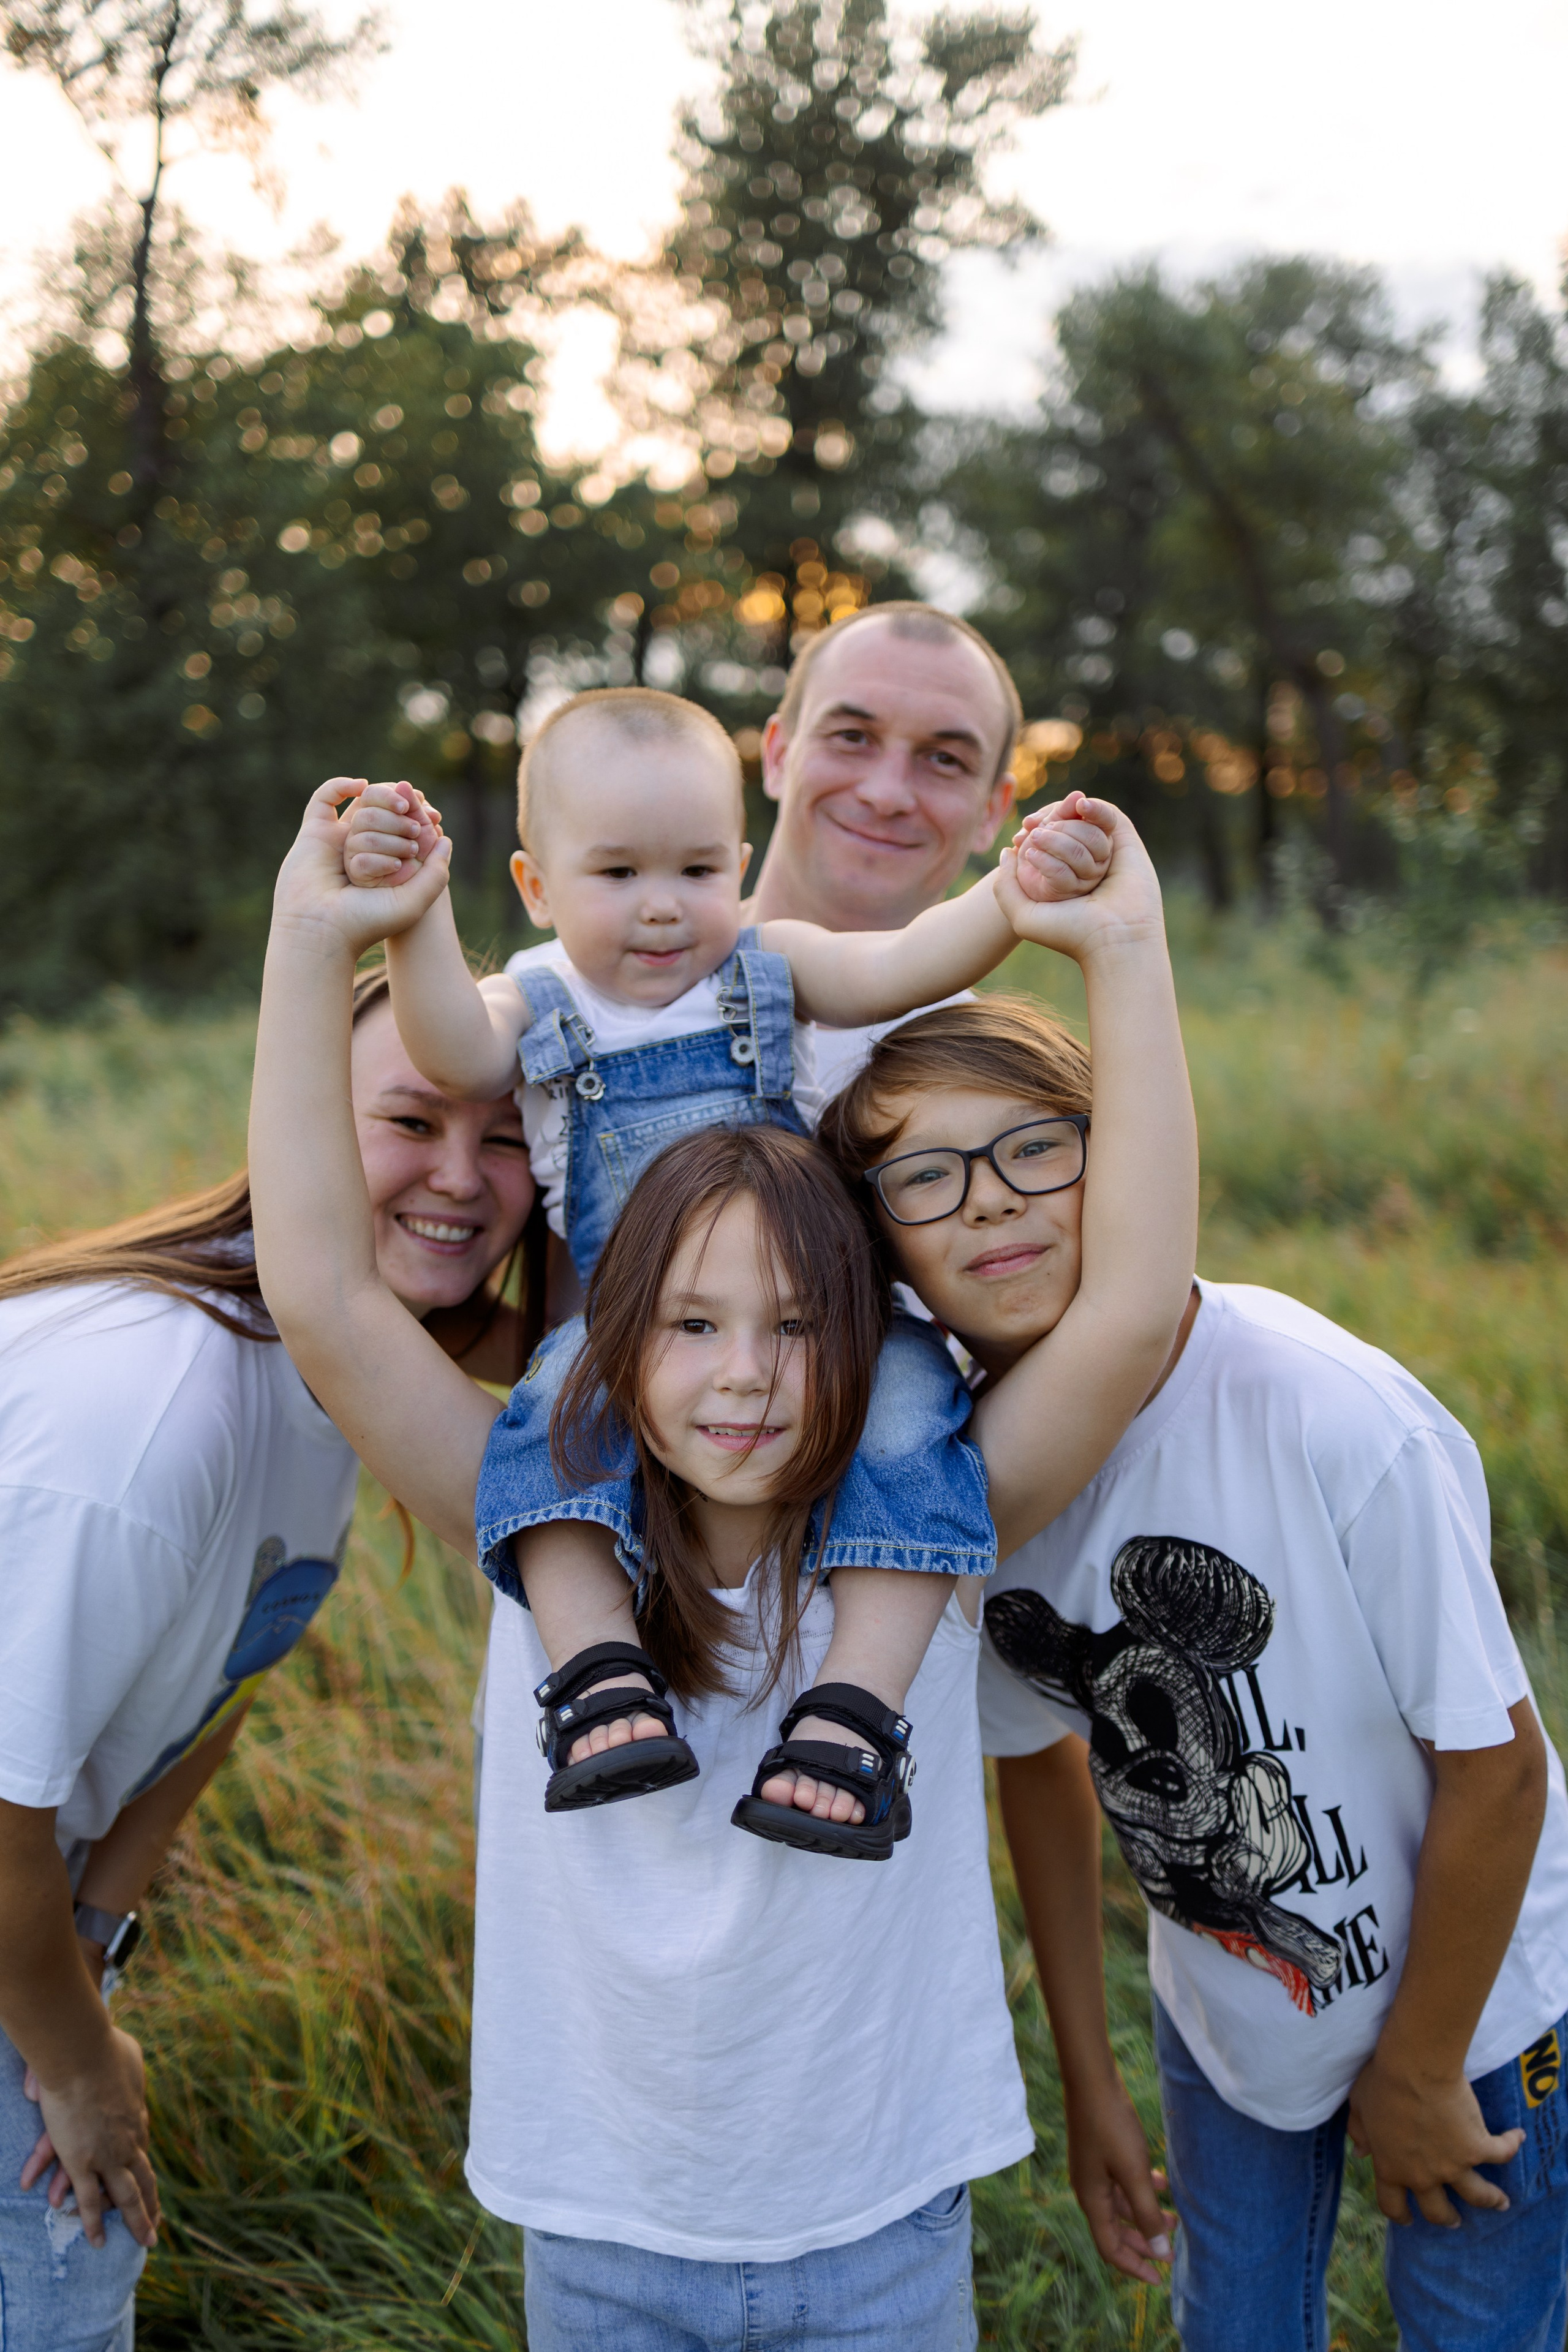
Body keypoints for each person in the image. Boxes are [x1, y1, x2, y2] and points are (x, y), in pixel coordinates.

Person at [246, 775, 1196, 2351]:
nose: (745, 1377)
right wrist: (313, 932)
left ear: (873, 1338)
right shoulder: (534, 1502)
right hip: (603, 2221)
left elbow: (1133, 1302)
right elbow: (325, 1296)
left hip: (879, 2214)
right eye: (688, 1323)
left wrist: (1123, 944)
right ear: (613, 1339)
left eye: (801, 1323)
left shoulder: (933, 1518)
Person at [817, 995, 1568, 2352]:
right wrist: (1089, 2079)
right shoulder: (969, 1487)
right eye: (924, 1176)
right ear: (879, 1244)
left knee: (1476, 2330)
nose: (989, 1201)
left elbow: (1498, 1770)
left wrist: (1416, 2066)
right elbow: (1033, 1761)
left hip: (1479, 2011)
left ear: (1123, 1159)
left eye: (1034, 1148)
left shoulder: (1325, 1415)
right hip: (1228, 2020)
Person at [338, 690, 1112, 1852]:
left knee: (914, 1413)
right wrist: (412, 915)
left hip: (823, 1318)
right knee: (551, 1426)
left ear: (741, 870)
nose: (662, 906)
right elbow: (449, 1048)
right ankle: (597, 1672)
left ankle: (857, 1706)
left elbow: (904, 964)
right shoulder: (534, 1001)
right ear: (537, 887)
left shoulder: (770, 963)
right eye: (617, 874)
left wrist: (1010, 894)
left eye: (698, 870)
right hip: (641, 1336)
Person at [0, 967, 541, 2352]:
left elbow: (227, 1676)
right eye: (409, 1121)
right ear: (295, 1118)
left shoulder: (345, 1356)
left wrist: (95, 1940)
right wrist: (73, 2058)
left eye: (504, 1137)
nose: (461, 1177)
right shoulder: (147, 1420)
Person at [745, 600, 1026, 1099]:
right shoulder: (597, 989)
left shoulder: (1002, 1097)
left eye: (945, 760)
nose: (887, 794)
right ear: (778, 756)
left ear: (992, 811)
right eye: (852, 737)